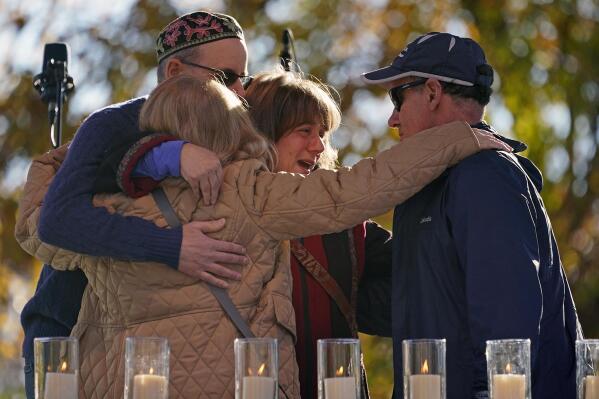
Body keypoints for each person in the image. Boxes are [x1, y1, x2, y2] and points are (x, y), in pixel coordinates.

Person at [17, 74, 507, 398]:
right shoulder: (246, 192)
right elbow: (358, 189)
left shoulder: (92, 211)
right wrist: (461, 135)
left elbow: (39, 217)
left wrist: (117, 152)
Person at [120, 69, 395, 399]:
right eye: (304, 131)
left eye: (322, 133)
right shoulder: (214, 212)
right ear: (265, 134)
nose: (319, 144)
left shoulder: (345, 225)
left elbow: (408, 294)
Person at [18, 11, 251, 399]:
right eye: (227, 78)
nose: (241, 93)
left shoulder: (233, 127)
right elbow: (58, 220)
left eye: (246, 78)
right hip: (65, 342)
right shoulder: (115, 124)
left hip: (144, 352)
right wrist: (171, 246)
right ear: (175, 71)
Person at [361, 31, 582, 399]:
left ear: (432, 92)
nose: (392, 118)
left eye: (397, 98)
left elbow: (508, 327)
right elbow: (422, 310)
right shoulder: (435, 184)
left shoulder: (483, 176)